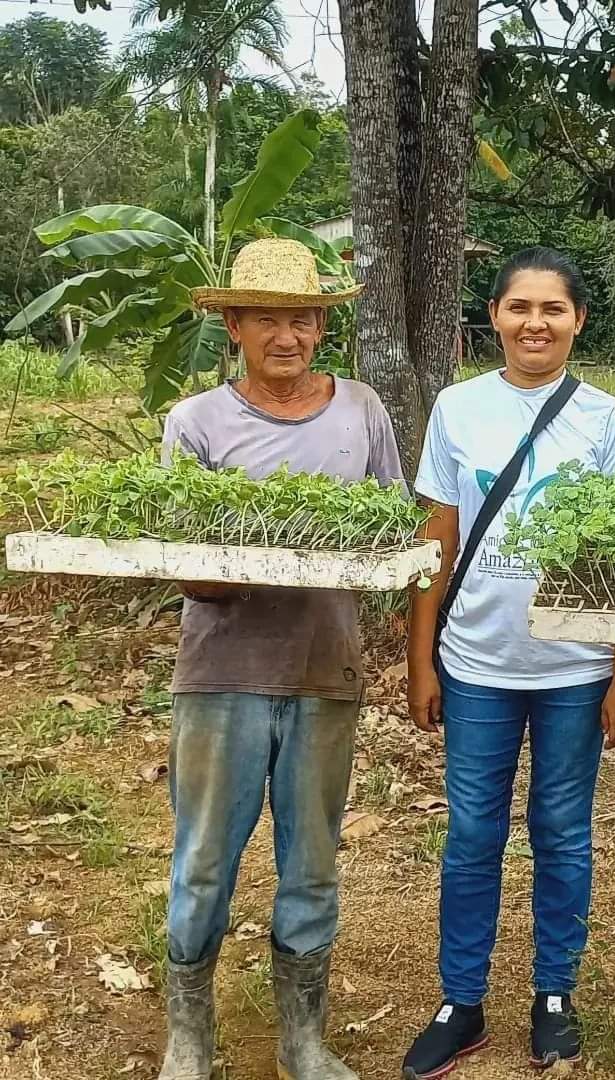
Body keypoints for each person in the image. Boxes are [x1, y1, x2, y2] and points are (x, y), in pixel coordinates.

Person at [158, 238, 405, 1080]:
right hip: (221, 674)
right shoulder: (194, 422)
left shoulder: (362, 409)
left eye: (302, 318)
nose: (287, 336)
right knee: (202, 860)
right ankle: (189, 1038)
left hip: (324, 671)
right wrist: (253, 559)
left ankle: (303, 1039)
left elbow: (390, 529)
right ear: (234, 326)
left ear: (320, 326)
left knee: (312, 862)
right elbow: (184, 564)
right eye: (266, 318)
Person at [402, 248, 615, 1078]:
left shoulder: (607, 419)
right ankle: (460, 1001)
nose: (535, 323)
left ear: (578, 320)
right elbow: (438, 537)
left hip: (575, 668)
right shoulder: (455, 408)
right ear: (494, 317)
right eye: (518, 308)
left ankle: (553, 994)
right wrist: (421, 658)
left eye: (553, 309)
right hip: (475, 662)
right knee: (472, 834)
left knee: (562, 833)